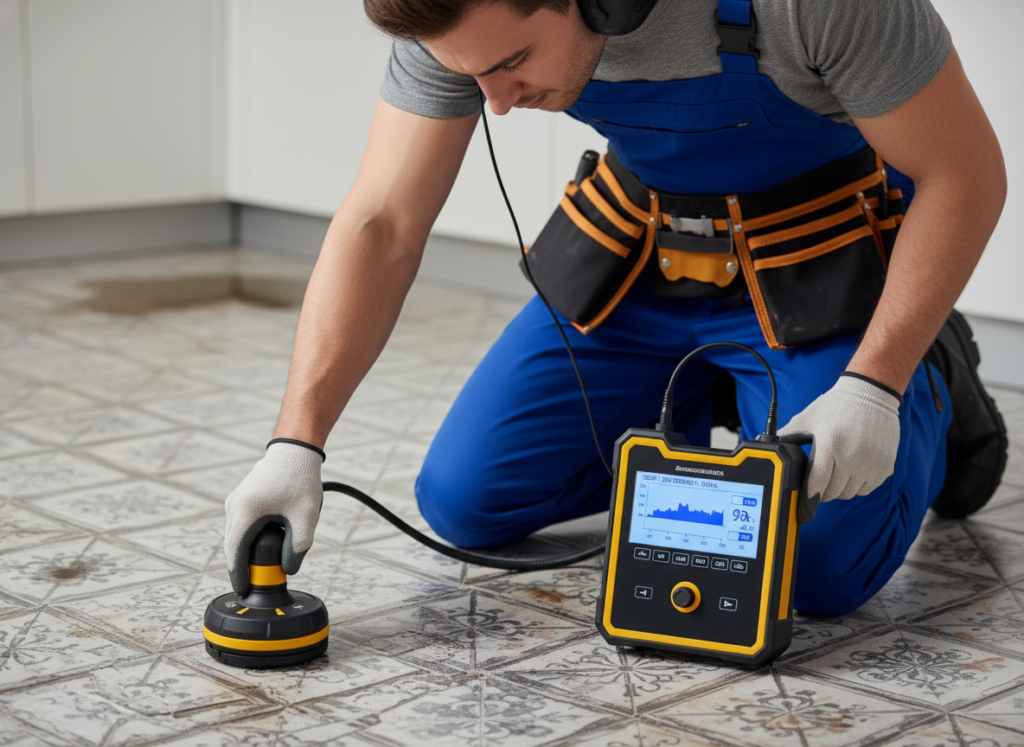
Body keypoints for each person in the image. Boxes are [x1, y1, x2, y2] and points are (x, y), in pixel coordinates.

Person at [224, 0, 1008, 615]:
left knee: (814, 568)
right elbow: (382, 222)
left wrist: (873, 386)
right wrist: (298, 441)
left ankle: (929, 371)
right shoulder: (457, 27)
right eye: (472, 76)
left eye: (512, 63)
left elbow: (965, 174)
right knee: (465, 501)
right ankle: (713, 398)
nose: (492, 103)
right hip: (641, 263)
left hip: (824, 269)